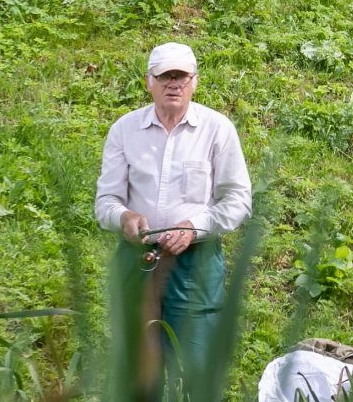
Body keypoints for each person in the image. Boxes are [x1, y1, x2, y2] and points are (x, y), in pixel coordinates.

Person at [95, 42, 251, 399]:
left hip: (195, 262)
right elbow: (106, 201)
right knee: (140, 372)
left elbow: (238, 200)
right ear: (149, 81)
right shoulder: (125, 130)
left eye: (181, 76)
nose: (174, 84)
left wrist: (194, 227)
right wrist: (125, 217)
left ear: (195, 81)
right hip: (138, 261)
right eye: (165, 76)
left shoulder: (216, 129)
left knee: (197, 366)